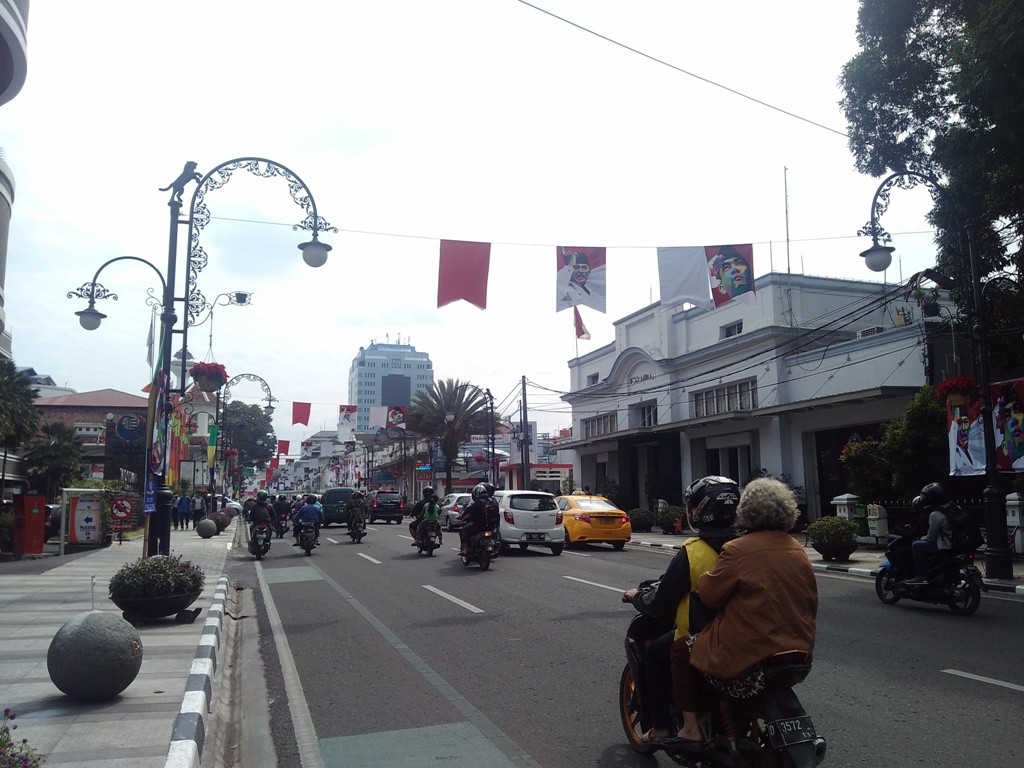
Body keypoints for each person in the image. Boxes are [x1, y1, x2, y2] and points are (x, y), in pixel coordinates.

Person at [672, 478, 817, 744]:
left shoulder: (738, 550)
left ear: (745, 511)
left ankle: (690, 728)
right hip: (798, 652)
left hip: (753, 656)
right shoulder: (797, 549)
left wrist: (705, 577)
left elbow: (710, 596)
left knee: (682, 651)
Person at [621, 476, 740, 744]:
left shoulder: (693, 553)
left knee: (654, 655)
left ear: (698, 510)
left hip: (701, 639)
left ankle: (663, 726)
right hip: (743, 636)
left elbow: (660, 601)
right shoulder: (745, 548)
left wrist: (637, 596)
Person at [906, 482, 953, 584]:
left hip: (946, 545)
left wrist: (921, 539)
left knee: (916, 545)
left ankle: (921, 575)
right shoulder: (954, 508)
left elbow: (931, 537)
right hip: (956, 542)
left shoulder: (936, 515)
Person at [459, 482, 494, 555]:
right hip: (491, 526)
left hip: (479, 526)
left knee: (465, 530)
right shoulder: (492, 502)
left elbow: (471, 515)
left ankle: (467, 548)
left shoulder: (477, 503)